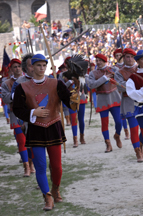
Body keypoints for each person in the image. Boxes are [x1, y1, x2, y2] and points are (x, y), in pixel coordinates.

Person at [12, 54, 81, 211]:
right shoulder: (22, 87)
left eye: (44, 65)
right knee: (41, 166)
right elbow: (17, 109)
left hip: (54, 128)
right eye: (38, 65)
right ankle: (47, 196)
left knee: (56, 166)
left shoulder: (56, 83)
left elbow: (69, 104)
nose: (42, 68)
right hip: (35, 130)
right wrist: (32, 113)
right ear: (31, 67)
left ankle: (56, 189)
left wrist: (74, 98)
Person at [1, 58, 32, 177]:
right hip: (15, 115)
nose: (17, 69)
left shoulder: (28, 80)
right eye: (15, 67)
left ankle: (31, 163)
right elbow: (5, 98)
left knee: (31, 140)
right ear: (11, 69)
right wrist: (17, 94)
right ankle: (26, 166)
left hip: (29, 114)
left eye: (19, 66)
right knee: (21, 140)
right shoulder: (6, 83)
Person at [87, 54, 123, 152]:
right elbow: (91, 85)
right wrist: (104, 78)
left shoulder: (113, 69)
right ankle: (108, 144)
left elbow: (121, 77)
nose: (98, 62)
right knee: (104, 123)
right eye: (96, 60)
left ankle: (117, 135)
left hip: (114, 97)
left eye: (100, 60)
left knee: (119, 122)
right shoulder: (93, 73)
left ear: (104, 61)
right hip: (102, 100)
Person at [114, 48, 143, 162]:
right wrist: (136, 83)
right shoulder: (119, 72)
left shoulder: (140, 69)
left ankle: (140, 145)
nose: (130, 59)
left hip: (142, 101)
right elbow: (120, 87)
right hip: (128, 102)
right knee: (134, 129)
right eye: (127, 57)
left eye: (132, 57)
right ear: (124, 58)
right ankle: (137, 151)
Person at [113, 48, 130, 140]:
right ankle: (126, 131)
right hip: (117, 92)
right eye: (117, 56)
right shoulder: (113, 68)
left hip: (128, 91)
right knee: (122, 113)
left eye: (120, 55)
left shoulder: (128, 66)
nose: (119, 57)